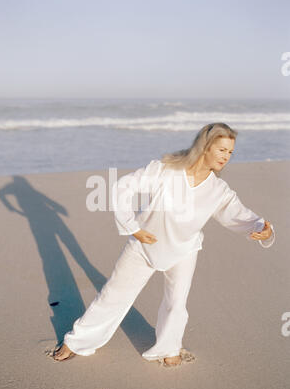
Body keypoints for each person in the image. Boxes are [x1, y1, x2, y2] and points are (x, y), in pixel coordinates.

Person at [53, 123, 275, 366]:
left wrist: (260, 227)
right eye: (222, 149)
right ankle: (76, 342)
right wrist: (133, 228)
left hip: (185, 249)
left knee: (177, 302)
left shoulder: (218, 190)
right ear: (205, 146)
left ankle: (170, 348)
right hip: (144, 245)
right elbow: (123, 187)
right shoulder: (166, 170)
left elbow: (238, 213)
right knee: (113, 295)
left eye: (230, 152)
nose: (226, 157)